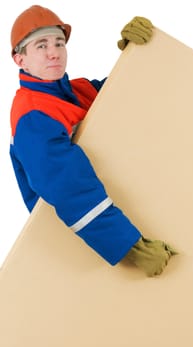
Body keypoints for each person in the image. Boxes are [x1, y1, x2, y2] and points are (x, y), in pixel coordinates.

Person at [9, 5, 177, 277]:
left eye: (59, 43)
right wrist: (130, 248)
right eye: (41, 46)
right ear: (20, 60)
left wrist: (137, 54)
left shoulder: (75, 91)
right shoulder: (33, 115)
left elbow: (124, 92)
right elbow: (68, 187)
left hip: (119, 220)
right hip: (83, 251)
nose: (54, 53)